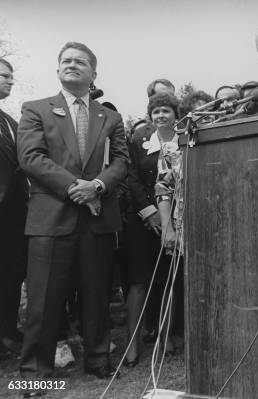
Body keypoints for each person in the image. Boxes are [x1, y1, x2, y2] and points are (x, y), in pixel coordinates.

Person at [16, 42, 129, 386]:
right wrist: (75, 187)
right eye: (65, 61)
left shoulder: (109, 117)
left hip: (96, 221)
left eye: (80, 61)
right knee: (44, 302)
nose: (72, 65)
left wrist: (96, 185)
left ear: (94, 74)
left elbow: (122, 162)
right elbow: (31, 158)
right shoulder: (35, 109)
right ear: (57, 71)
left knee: (96, 297)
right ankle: (36, 374)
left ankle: (98, 361)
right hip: (50, 221)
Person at [123, 93, 181, 366]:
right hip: (143, 218)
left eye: (166, 111)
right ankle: (132, 342)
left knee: (169, 279)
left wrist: (168, 217)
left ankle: (165, 335)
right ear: (150, 115)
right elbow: (131, 177)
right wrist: (150, 212)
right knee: (138, 281)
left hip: (176, 218)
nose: (160, 116)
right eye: (156, 111)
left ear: (175, 113)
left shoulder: (185, 140)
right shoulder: (138, 141)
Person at [0, 58, 28, 357]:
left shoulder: (9, 121)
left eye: (11, 76)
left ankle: (7, 330)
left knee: (11, 274)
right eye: (4, 76)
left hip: (14, 215)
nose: (10, 81)